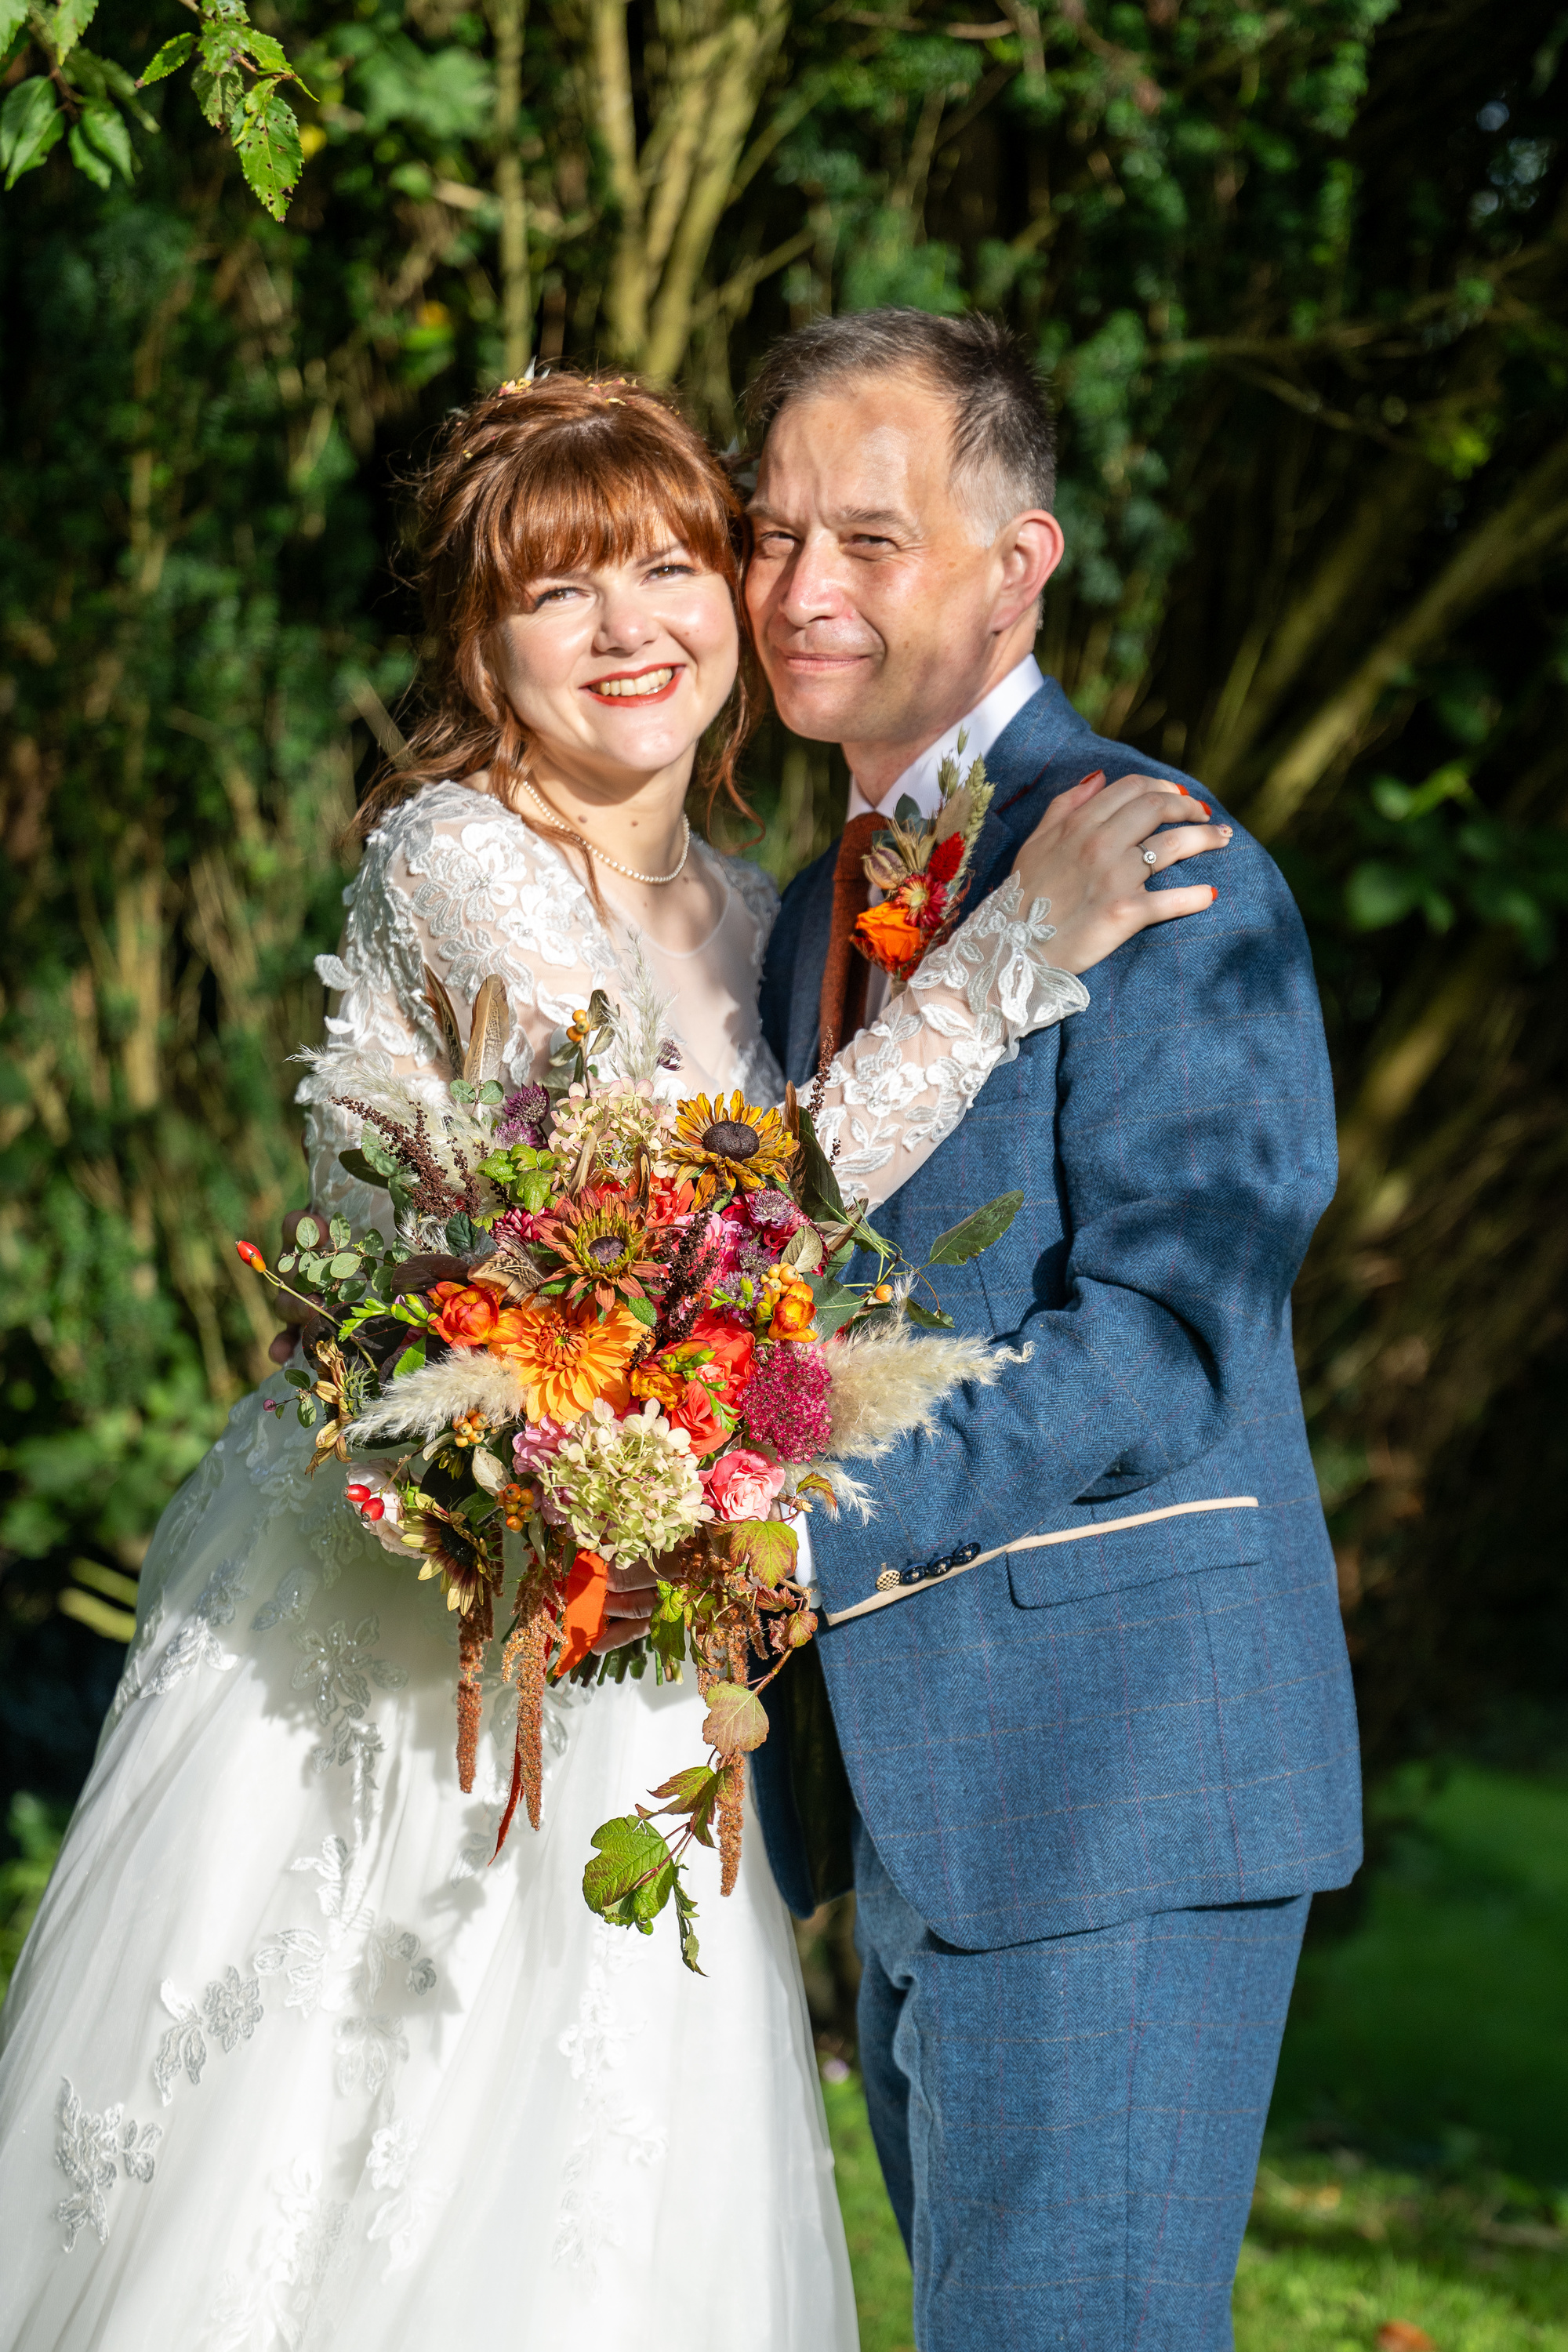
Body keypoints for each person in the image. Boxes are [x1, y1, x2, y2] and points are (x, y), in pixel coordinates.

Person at [0, 371, 1226, 2352]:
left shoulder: (763, 913)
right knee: (351, 2140)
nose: (627, 627)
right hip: (415, 1633)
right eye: (556, 591)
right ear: (475, 644)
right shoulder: (461, 856)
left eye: (668, 568)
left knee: (603, 2179)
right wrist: (1011, 960)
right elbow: (690, 1210)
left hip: (639, 1622)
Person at [746, 308, 1363, 2352]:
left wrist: (797, 1530)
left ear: (1019, 564)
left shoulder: (1163, 865)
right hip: (919, 1805)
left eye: (869, 538)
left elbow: (1169, 1337)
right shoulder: (810, 910)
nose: (800, 589)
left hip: (1117, 1778)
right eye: (770, 534)